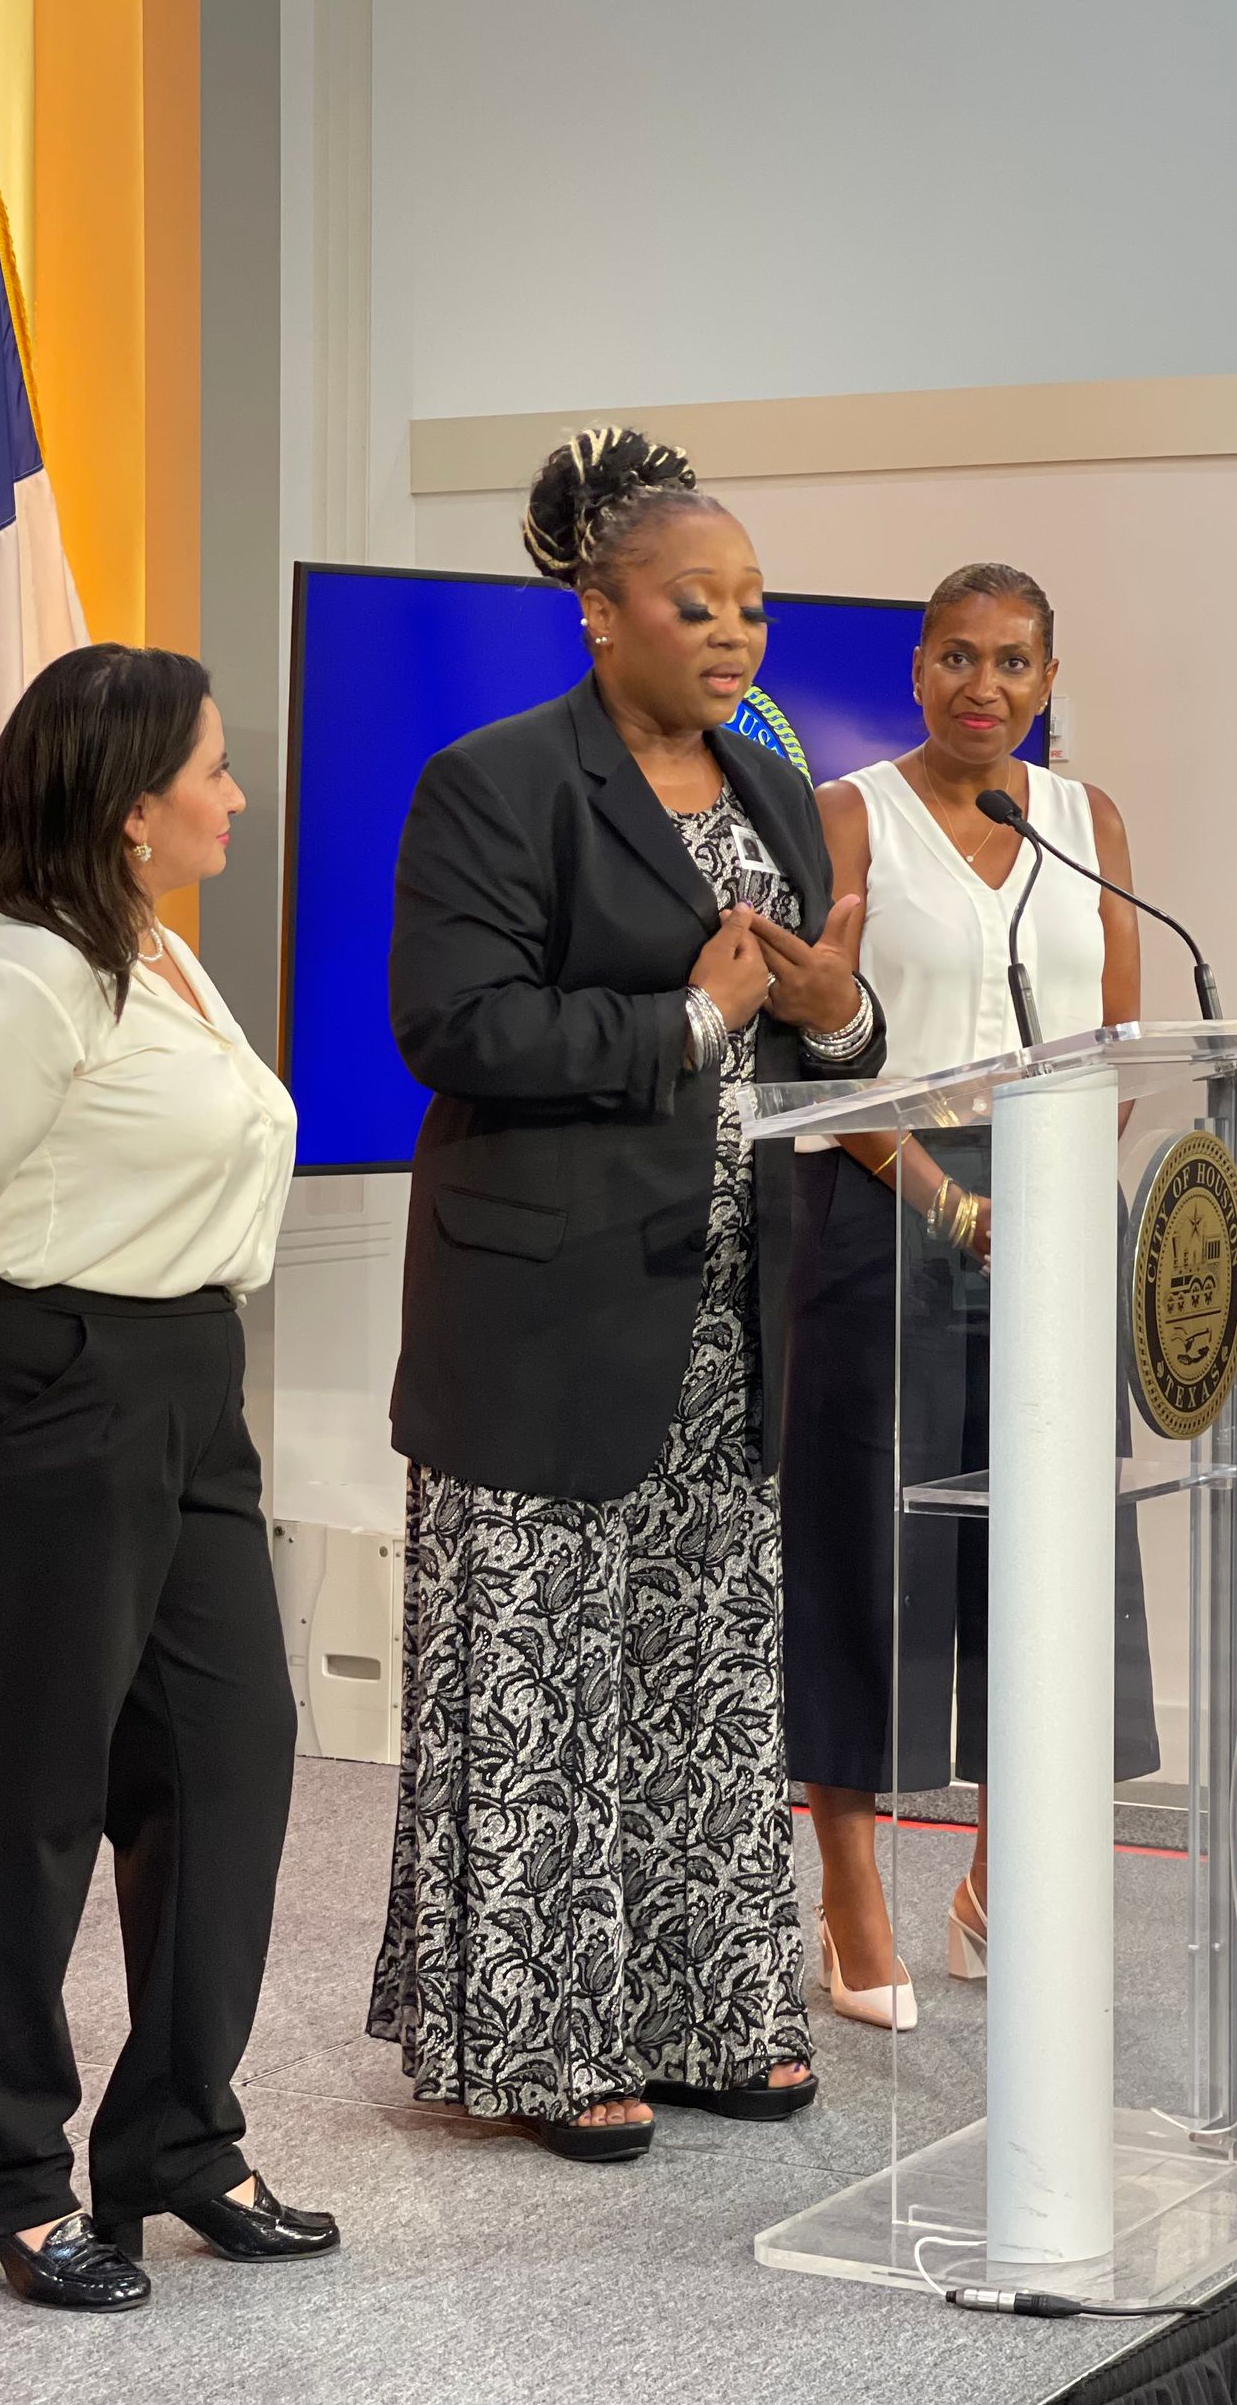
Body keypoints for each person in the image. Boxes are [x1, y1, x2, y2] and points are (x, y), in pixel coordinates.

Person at [366, 427, 885, 2161]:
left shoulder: (763, 795)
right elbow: (452, 1027)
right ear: (602, 615)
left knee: (697, 1677)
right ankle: (536, 2041)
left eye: (751, 604)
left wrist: (836, 1011)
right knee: (547, 1686)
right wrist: (685, 1022)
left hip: (729, 1315)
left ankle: (703, 2010)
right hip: (549, 1314)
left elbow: (813, 1035)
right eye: (697, 601)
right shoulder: (496, 783)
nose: (735, 633)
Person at [0, 645, 338, 2311]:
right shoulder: (20, 980)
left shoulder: (157, 962)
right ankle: (7, 2183)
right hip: (47, 1388)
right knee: (32, 1798)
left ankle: (179, 2140)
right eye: (210, 770)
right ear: (129, 814)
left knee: (230, 1753)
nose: (234, 795)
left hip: (182, 1379)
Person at [779, 563, 1159, 2029]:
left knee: (1042, 1553)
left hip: (1053, 1212)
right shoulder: (849, 815)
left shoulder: (1085, 823)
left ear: (1050, 680)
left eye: (1012, 663)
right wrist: (950, 1200)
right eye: (955, 659)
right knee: (874, 1557)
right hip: (887, 1211)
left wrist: (1047, 1199)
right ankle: (852, 1901)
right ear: (916, 669)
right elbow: (825, 1049)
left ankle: (1005, 1886)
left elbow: (1117, 1039)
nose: (983, 688)